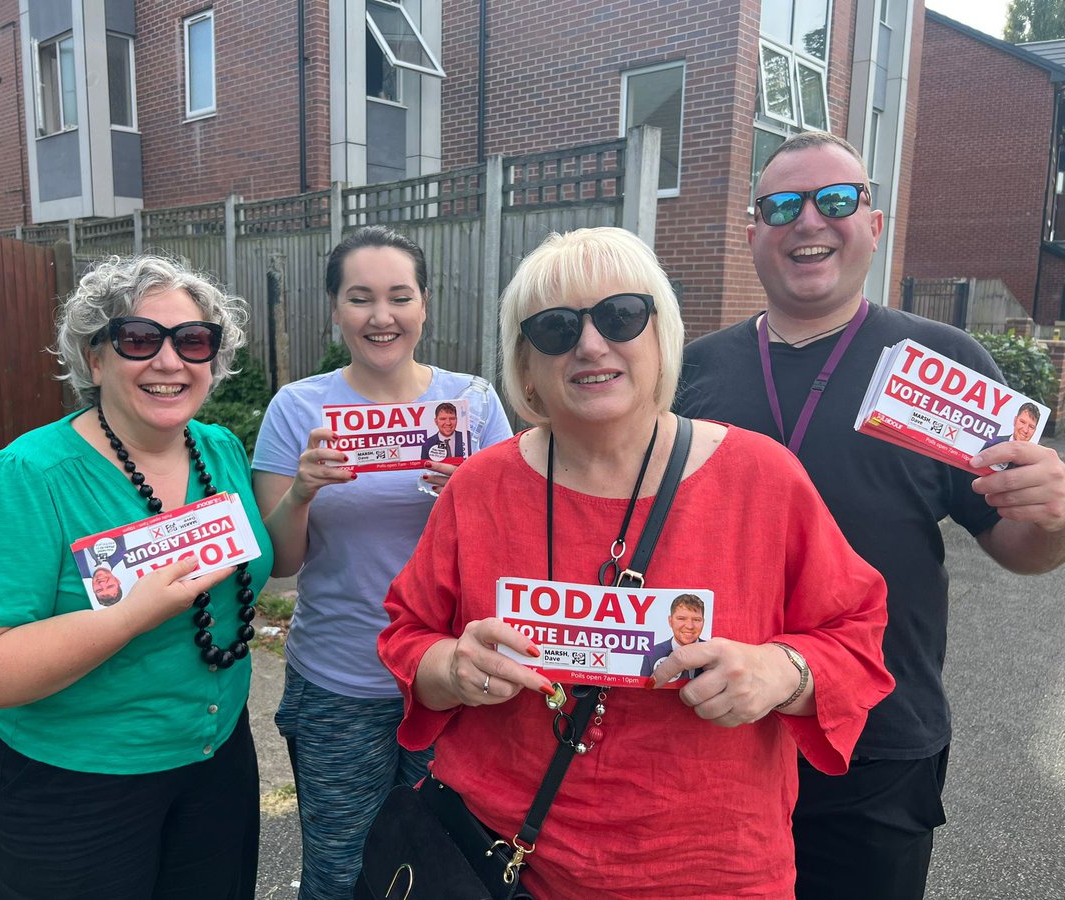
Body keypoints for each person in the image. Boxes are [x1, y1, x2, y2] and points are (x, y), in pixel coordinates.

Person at [378, 226, 894, 899]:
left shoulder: (761, 478)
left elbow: (856, 636)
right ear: (526, 363)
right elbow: (406, 637)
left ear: (661, 335)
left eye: (621, 316)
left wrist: (779, 673)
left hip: (711, 872)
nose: (592, 344)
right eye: (557, 329)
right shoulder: (479, 488)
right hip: (500, 863)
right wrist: (454, 669)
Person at [675, 131, 1065, 900]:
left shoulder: (942, 367)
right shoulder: (693, 373)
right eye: (782, 205)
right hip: (713, 728)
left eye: (837, 200)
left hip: (877, 741)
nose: (809, 221)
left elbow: (1019, 549)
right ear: (754, 232)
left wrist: (1052, 517)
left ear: (875, 225)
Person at [0, 255, 274, 899]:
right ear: (95, 358)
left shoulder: (220, 449)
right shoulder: (25, 478)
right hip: (74, 786)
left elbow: (250, 576)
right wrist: (130, 616)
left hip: (215, 759)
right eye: (139, 338)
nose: (169, 362)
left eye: (193, 341)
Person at [252, 225, 513, 898]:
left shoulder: (475, 405)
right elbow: (281, 561)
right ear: (336, 309)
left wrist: (473, 498)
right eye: (360, 297)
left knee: (448, 864)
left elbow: (516, 547)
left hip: (453, 676)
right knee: (339, 873)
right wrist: (303, 490)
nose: (381, 315)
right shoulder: (297, 408)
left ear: (425, 305)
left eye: (400, 296)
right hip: (342, 681)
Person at [639, 592, 706, 679]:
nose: (690, 626)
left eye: (696, 620)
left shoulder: (714, 654)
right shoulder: (652, 655)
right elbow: (642, 692)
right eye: (681, 619)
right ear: (670, 621)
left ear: (703, 622)